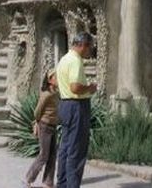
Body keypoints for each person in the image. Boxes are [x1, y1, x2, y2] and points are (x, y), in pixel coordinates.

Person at [56, 32, 97, 188]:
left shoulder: (64, 59)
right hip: (76, 106)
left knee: (65, 148)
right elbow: (75, 87)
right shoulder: (75, 61)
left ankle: (62, 183)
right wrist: (90, 88)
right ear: (82, 45)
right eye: (90, 47)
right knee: (76, 150)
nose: (90, 51)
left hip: (65, 104)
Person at [24, 69, 59, 188]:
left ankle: (48, 182)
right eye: (56, 77)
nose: (59, 79)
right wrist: (38, 122)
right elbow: (37, 111)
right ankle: (28, 178)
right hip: (45, 126)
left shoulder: (56, 92)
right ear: (50, 80)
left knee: (53, 155)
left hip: (53, 126)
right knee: (44, 155)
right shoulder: (47, 94)